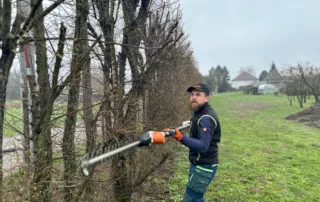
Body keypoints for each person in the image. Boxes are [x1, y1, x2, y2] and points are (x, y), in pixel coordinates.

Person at [171, 83, 221, 202]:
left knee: (191, 199)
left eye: (198, 94)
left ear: (206, 98)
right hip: (200, 163)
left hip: (204, 166)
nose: (193, 97)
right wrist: (192, 123)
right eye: (192, 94)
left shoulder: (205, 118)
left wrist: (180, 137)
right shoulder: (200, 114)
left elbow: (203, 146)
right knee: (195, 198)